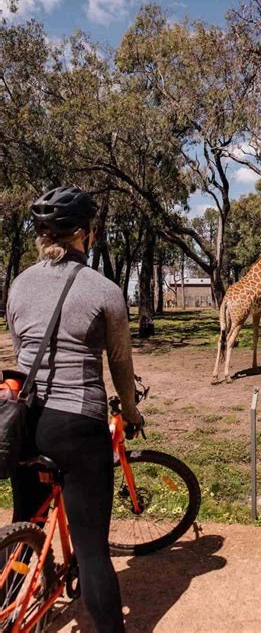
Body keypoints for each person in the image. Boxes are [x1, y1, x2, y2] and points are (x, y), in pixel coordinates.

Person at [6, 185, 143, 632]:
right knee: (91, 548)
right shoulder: (104, 290)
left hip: (23, 422)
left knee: (26, 517)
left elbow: (21, 346)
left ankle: (9, 602)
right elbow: (120, 365)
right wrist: (132, 410)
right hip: (78, 424)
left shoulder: (20, 283)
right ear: (85, 233)